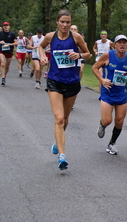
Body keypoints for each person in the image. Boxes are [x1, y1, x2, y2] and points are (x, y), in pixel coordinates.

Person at [38, 9, 91, 170]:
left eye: (68, 22)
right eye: (62, 22)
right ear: (57, 22)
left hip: (72, 82)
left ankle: (57, 141)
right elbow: (40, 47)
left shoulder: (76, 37)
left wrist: (79, 56)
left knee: (65, 118)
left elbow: (89, 53)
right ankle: (62, 156)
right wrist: (42, 56)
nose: (65, 25)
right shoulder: (50, 37)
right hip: (54, 81)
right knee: (59, 118)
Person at [92, 34, 127, 155]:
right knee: (107, 120)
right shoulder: (108, 55)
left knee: (120, 121)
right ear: (115, 45)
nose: (122, 45)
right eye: (119, 42)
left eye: (124, 42)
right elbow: (95, 68)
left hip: (121, 93)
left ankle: (112, 143)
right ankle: (102, 125)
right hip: (108, 92)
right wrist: (102, 80)